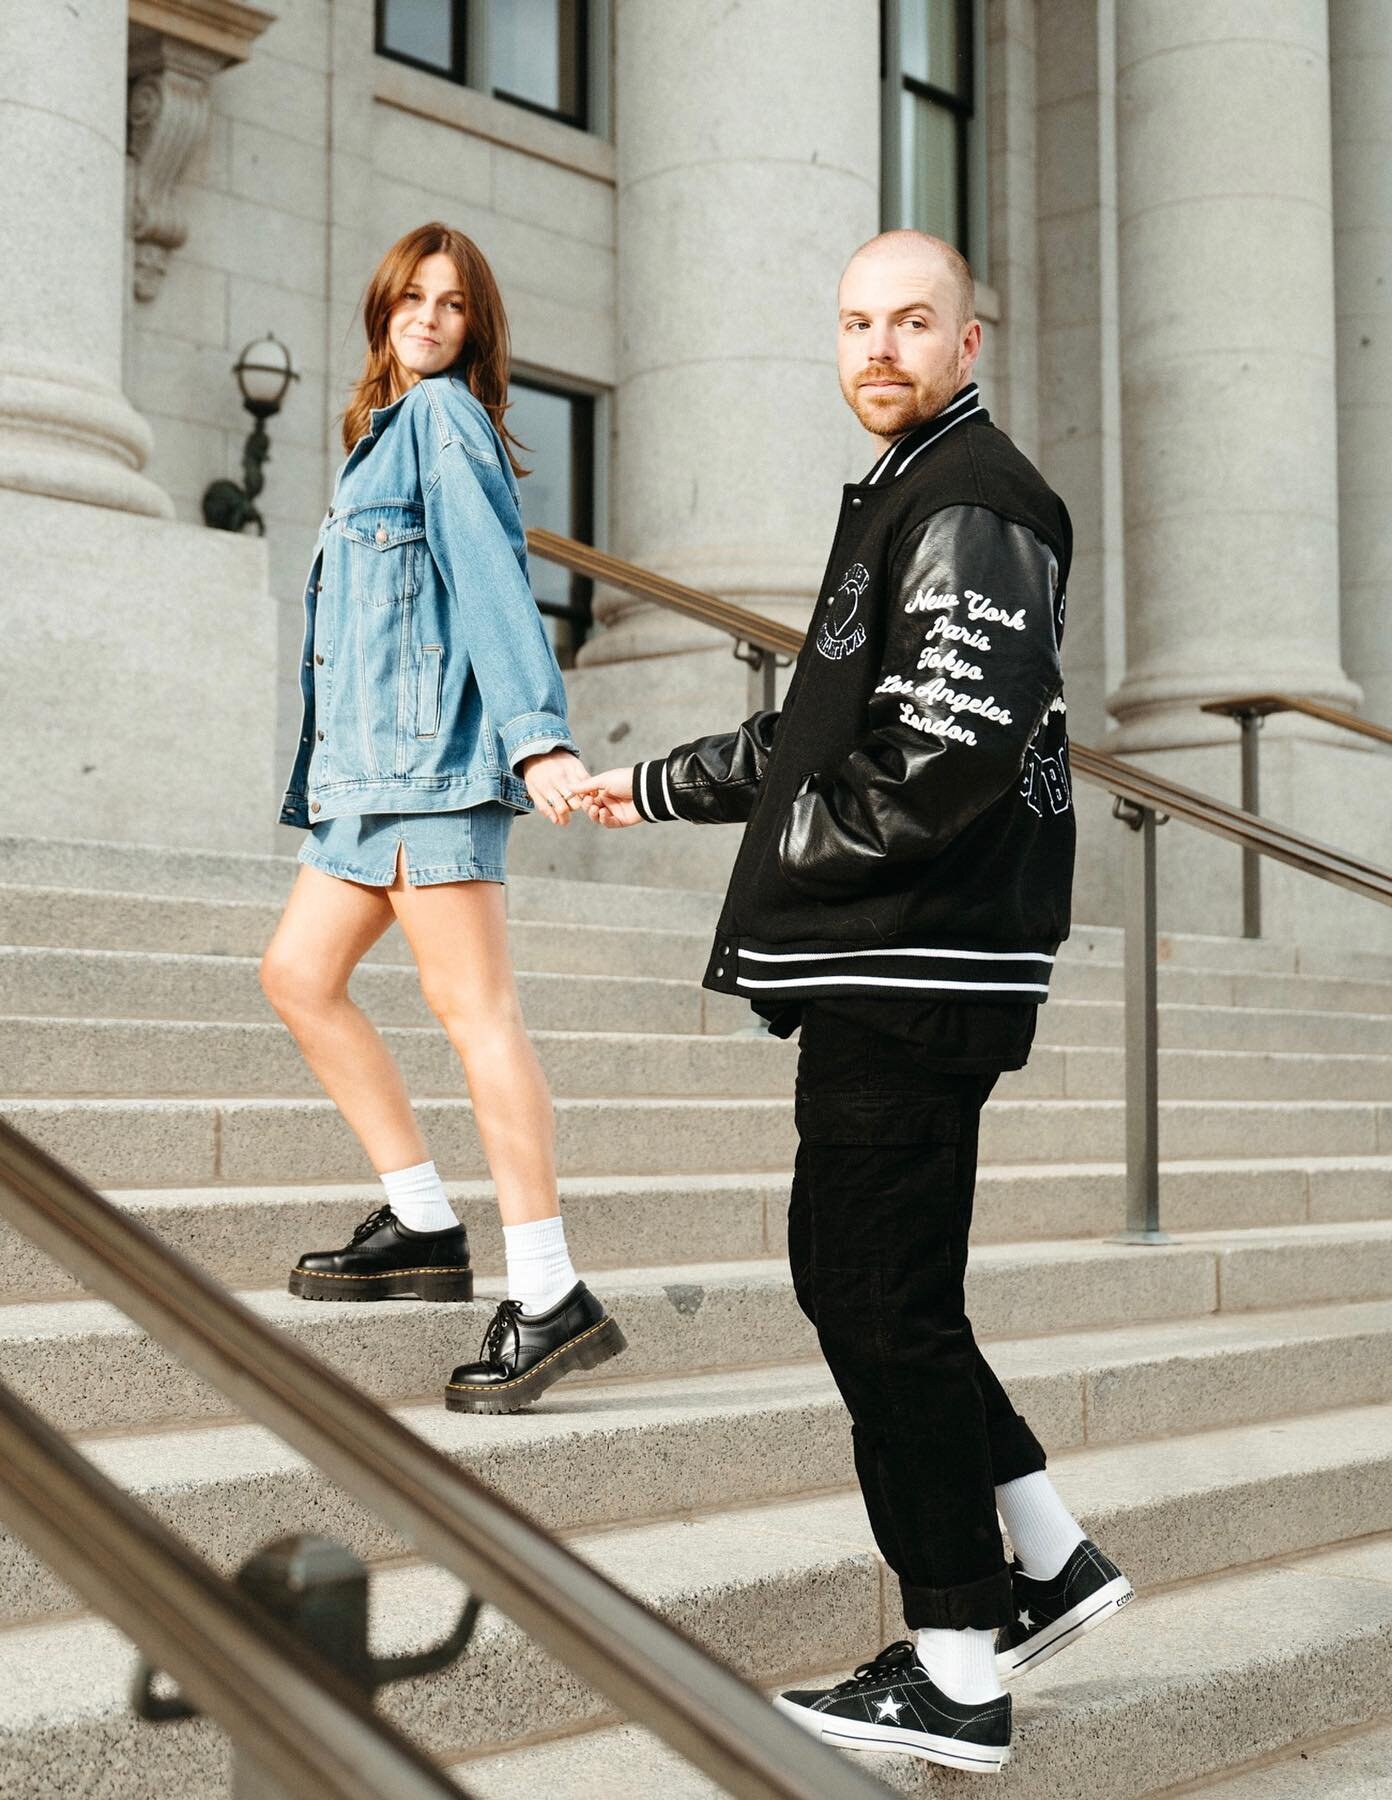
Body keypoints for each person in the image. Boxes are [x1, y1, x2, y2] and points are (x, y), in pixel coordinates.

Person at [573, 230, 1131, 1773]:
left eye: (911, 322)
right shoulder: (911, 494)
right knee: (879, 1287)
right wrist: (648, 787)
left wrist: (795, 861)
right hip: (897, 955)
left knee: (869, 1294)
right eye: (855, 324)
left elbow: (933, 757)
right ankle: (1045, 1551)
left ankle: (957, 1660)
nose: (878, 347)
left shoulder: (973, 498)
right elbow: (822, 725)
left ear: (971, 341)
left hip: (910, 957)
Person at [264, 222, 625, 1415]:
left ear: (477, 329)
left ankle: (548, 1288)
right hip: (364, 783)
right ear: (382, 310)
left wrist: (538, 737)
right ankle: (422, 1222)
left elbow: (487, 578)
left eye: (453, 304)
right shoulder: (375, 440)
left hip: (431, 770)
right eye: (411, 298)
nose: (428, 316)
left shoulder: (442, 420)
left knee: (478, 1019)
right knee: (298, 976)